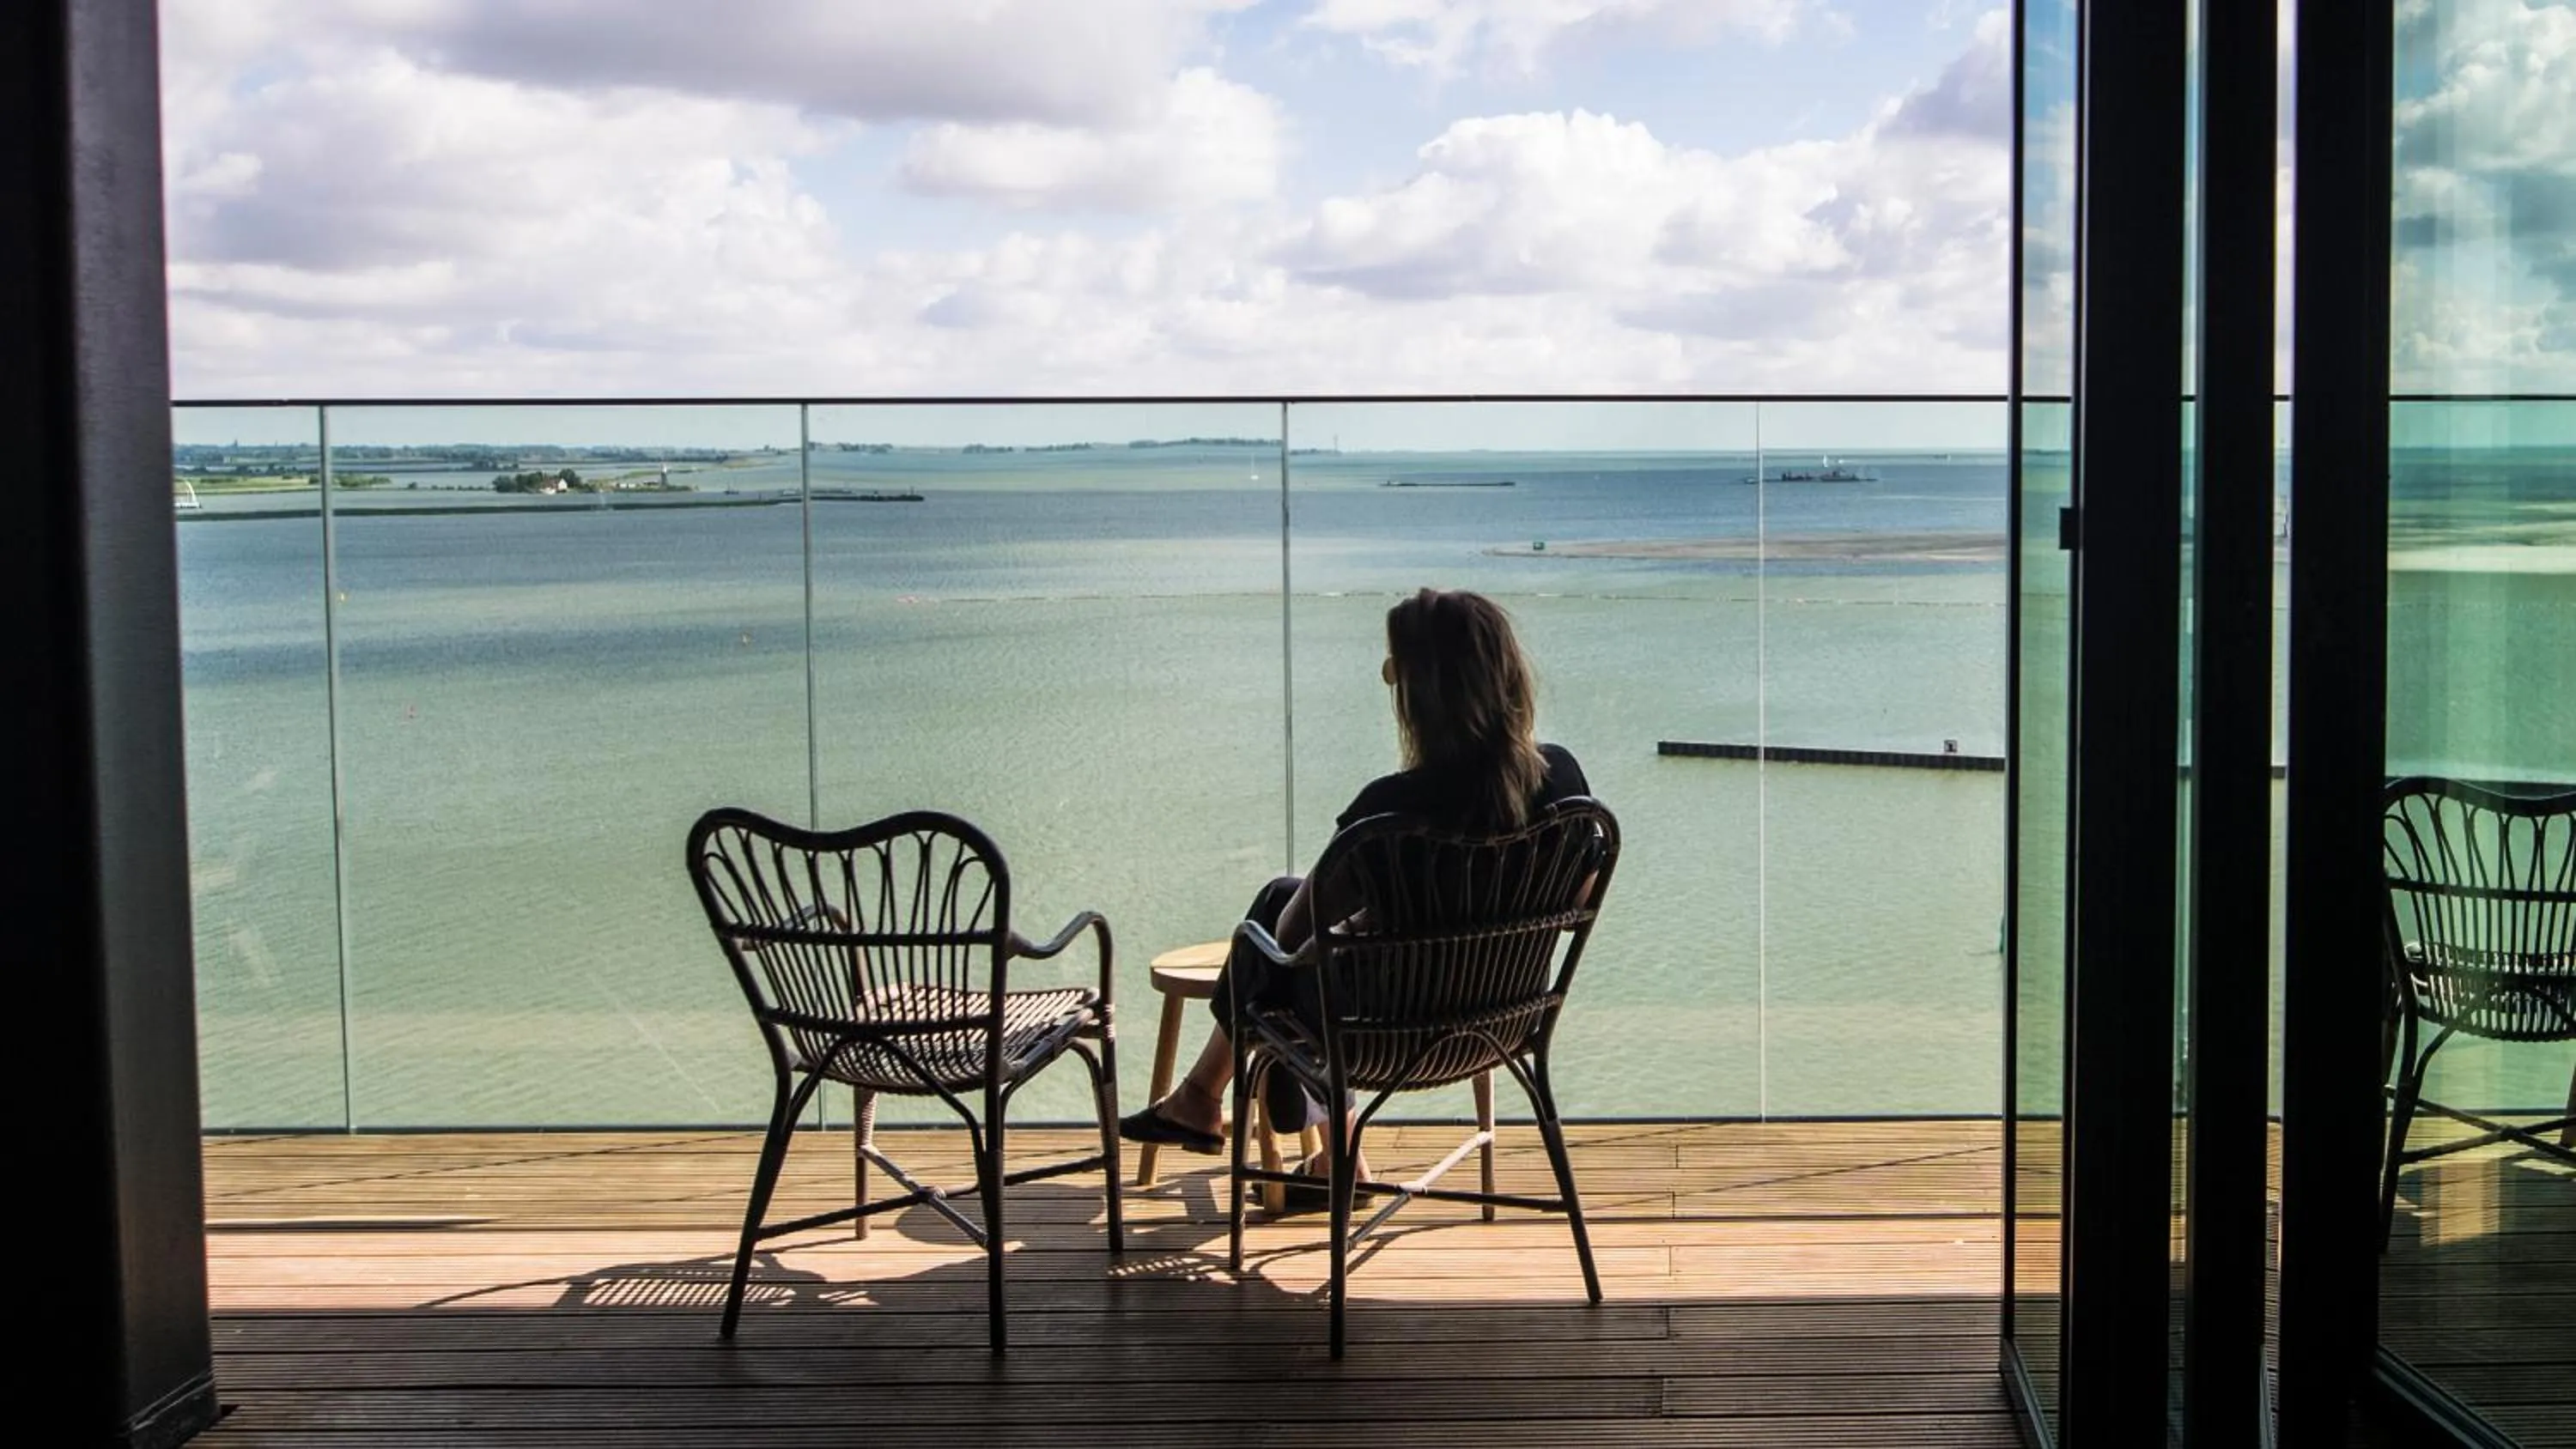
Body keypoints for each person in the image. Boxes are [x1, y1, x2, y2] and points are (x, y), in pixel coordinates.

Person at [1119, 586, 1593, 1194]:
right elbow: (1577, 902)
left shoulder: (1388, 811)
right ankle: (1298, 1145)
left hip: (1384, 1038)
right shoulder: (1562, 782)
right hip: (1505, 1023)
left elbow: (1292, 932)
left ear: (1419, 696)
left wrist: (1369, 927)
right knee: (1286, 917)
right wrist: (1457, 922)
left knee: (1269, 913)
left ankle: (1218, 1103)